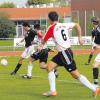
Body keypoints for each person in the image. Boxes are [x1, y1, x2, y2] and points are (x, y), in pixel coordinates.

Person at [41, 11, 100, 97]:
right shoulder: (64, 25)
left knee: (75, 74)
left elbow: (43, 41)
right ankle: (52, 91)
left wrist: (41, 42)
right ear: (57, 18)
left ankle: (95, 89)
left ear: (49, 19)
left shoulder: (51, 28)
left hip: (65, 53)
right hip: (63, 53)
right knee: (50, 67)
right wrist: (80, 38)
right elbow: (77, 25)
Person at [91, 17, 100, 85]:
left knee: (95, 65)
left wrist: (96, 46)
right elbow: (93, 39)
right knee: (95, 65)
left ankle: (95, 84)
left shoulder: (98, 30)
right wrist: (94, 45)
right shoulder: (94, 30)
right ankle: (95, 83)